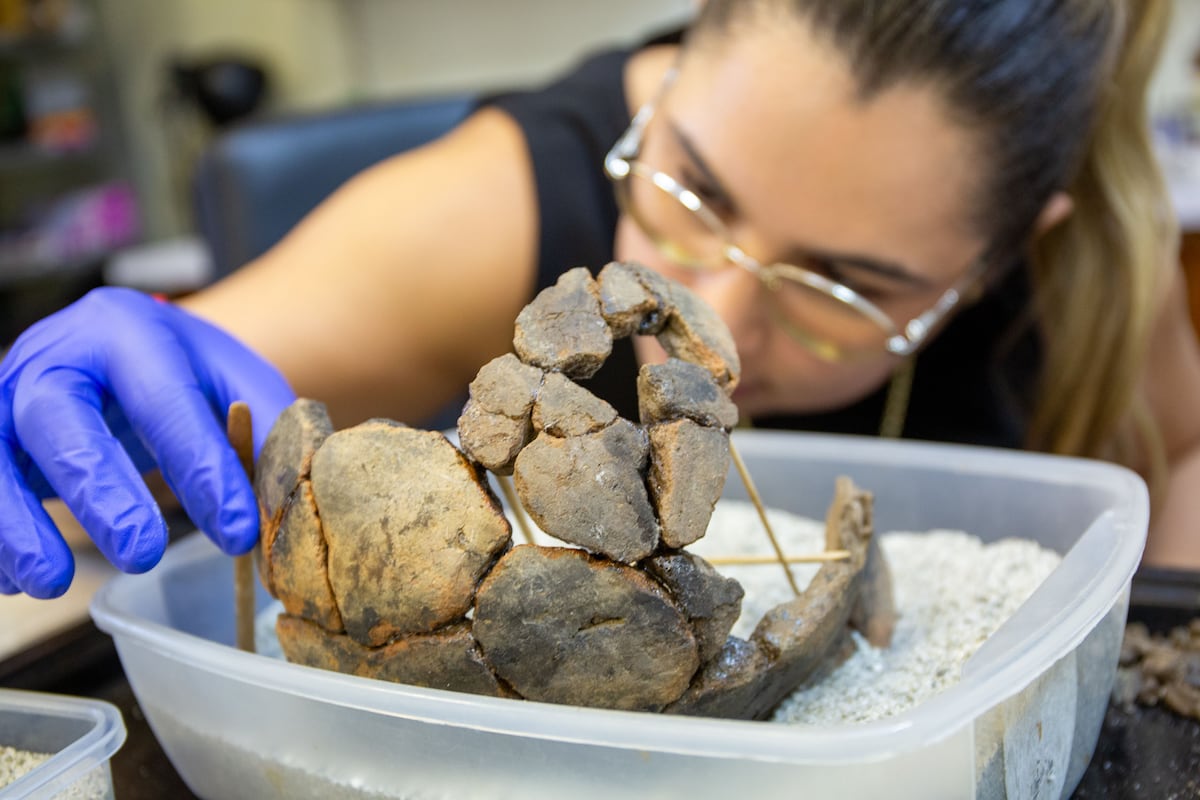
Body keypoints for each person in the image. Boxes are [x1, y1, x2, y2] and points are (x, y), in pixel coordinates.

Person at [2, 0, 1197, 600]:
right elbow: (164, 411)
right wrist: (85, 405)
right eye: (691, 190)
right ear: (666, 82)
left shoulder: (1101, 268)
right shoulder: (487, 210)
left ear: (996, 261)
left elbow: (1182, 456)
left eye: (845, 286)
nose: (711, 329)